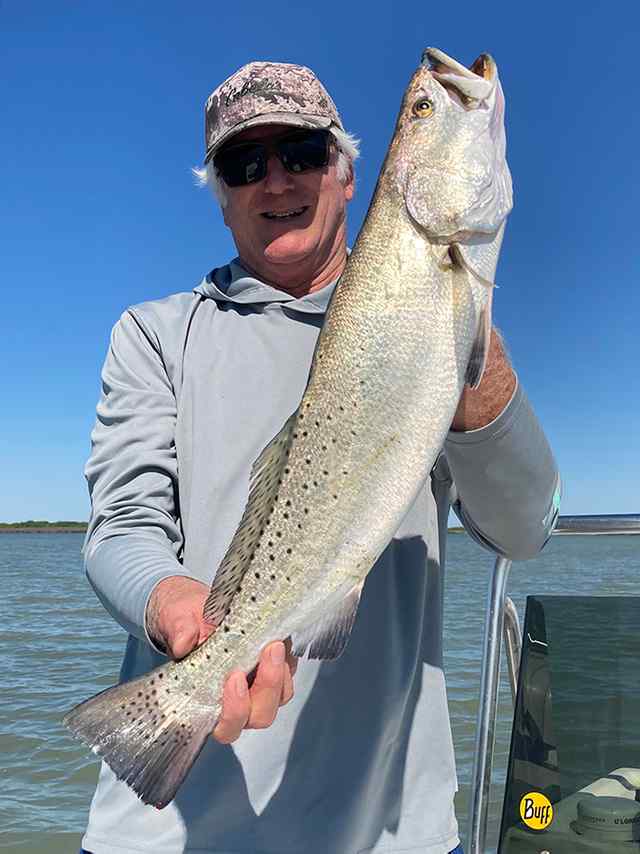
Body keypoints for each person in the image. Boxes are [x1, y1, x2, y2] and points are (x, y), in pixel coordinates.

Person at [78, 60, 560, 854]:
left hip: (390, 831)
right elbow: (119, 525)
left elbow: (526, 531)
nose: (275, 181)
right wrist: (174, 606)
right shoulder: (154, 333)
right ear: (220, 195)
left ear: (347, 173)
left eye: (301, 152)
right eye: (244, 164)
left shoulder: (430, 317)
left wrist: (481, 375)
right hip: (164, 834)